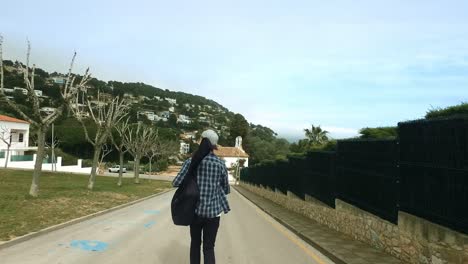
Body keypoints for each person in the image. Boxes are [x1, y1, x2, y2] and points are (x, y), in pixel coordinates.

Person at [172, 129, 230, 264]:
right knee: (209, 247)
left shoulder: (190, 162)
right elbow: (226, 189)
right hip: (213, 214)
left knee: (195, 244)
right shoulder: (221, 164)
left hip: (195, 212)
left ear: (201, 142)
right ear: (215, 145)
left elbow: (176, 183)